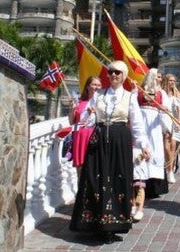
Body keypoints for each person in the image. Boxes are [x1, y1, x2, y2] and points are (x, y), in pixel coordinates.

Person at [70, 61, 150, 244]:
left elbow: (137, 124)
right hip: (98, 141)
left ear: (124, 76)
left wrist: (144, 145)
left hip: (119, 140)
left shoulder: (130, 97)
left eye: (118, 73)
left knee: (117, 180)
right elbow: (85, 120)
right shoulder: (98, 95)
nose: (113, 75)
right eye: (111, 72)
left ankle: (113, 226)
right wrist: (88, 114)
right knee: (94, 179)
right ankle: (93, 223)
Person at [134, 68, 165, 219]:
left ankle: (153, 185)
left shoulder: (161, 93)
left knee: (155, 150)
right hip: (141, 120)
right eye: (157, 77)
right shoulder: (139, 90)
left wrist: (163, 110)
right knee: (141, 150)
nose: (159, 79)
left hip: (154, 123)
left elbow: (165, 108)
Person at [68, 76, 102, 177]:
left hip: (95, 135)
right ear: (87, 86)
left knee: (94, 166)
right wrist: (71, 109)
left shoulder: (102, 102)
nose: (97, 87)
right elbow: (71, 122)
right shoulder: (80, 102)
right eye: (94, 84)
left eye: (99, 85)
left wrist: (95, 113)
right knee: (81, 168)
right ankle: (81, 190)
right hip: (81, 136)